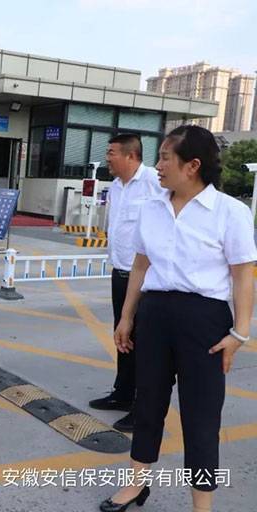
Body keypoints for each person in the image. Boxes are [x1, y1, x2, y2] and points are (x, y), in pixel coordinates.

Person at [99, 125, 256, 512]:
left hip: (204, 319)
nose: (158, 165)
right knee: (147, 403)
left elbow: (242, 276)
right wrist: (127, 317)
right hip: (154, 314)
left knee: (201, 415)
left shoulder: (229, 212)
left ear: (192, 166)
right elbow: (140, 265)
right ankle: (136, 484)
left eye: (165, 157)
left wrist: (240, 333)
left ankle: (202, 505)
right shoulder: (152, 208)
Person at [89, 133, 162, 433]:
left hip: (146, 277)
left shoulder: (154, 182)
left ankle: (141, 407)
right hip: (120, 273)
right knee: (123, 335)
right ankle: (122, 393)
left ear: (131, 156)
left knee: (144, 343)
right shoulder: (116, 187)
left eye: (112, 153)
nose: (107, 158)